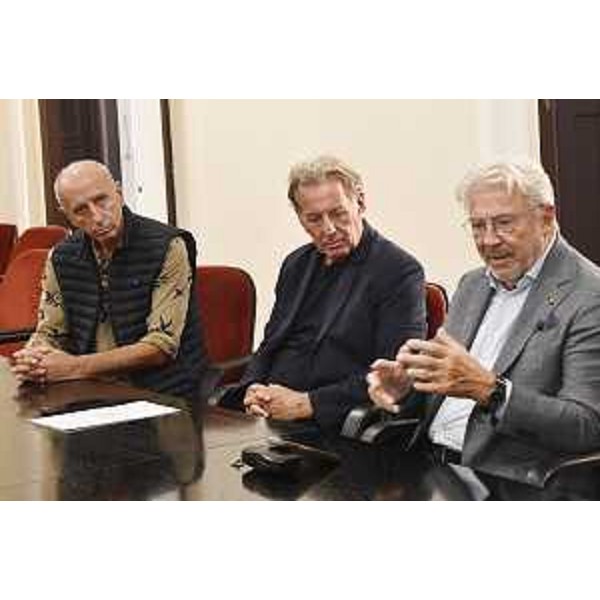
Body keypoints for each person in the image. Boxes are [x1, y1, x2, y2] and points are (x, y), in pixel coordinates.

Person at [368, 158, 600, 485]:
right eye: (478, 225)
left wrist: (490, 390)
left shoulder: (589, 295)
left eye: (504, 223)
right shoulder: (473, 283)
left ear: (546, 218)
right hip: (427, 464)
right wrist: (406, 388)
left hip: (506, 482)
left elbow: (586, 426)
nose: (489, 240)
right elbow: (445, 388)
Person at [220, 156, 426, 432]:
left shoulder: (398, 271)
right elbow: (271, 344)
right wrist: (252, 390)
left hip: (333, 424)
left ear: (360, 202)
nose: (328, 229)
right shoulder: (296, 264)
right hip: (269, 416)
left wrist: (308, 403)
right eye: (314, 219)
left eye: (338, 213)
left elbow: (395, 376)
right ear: (300, 218)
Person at [10, 160, 208, 402]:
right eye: (80, 210)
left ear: (119, 193)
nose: (97, 217)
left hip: (162, 392)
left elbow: (160, 347)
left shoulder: (168, 246)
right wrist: (34, 358)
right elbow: (50, 331)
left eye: (101, 200)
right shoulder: (61, 257)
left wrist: (74, 367)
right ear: (67, 215)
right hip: (89, 391)